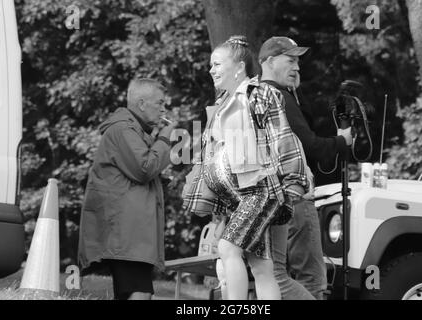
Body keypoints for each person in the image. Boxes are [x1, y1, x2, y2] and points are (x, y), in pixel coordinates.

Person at [183, 35, 309, 300]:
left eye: (217, 64)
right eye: (211, 65)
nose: (211, 70)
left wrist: (294, 178)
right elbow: (212, 155)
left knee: (229, 249)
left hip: (259, 191)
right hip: (237, 199)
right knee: (261, 265)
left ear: (239, 66)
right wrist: (212, 200)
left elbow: (283, 137)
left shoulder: (259, 94)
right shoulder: (220, 105)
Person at [258, 36, 353, 300]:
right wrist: (341, 142)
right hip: (296, 198)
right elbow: (308, 146)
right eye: (290, 60)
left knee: (276, 274)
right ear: (268, 61)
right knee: (311, 276)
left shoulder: (258, 95)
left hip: (273, 199)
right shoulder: (280, 98)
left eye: (298, 62)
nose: (297, 67)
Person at [77, 79, 177, 300]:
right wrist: (164, 139)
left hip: (130, 234)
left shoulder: (135, 131)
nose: (163, 109)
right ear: (141, 104)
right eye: (159, 103)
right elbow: (144, 169)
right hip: (126, 233)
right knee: (140, 292)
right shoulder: (123, 129)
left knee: (130, 292)